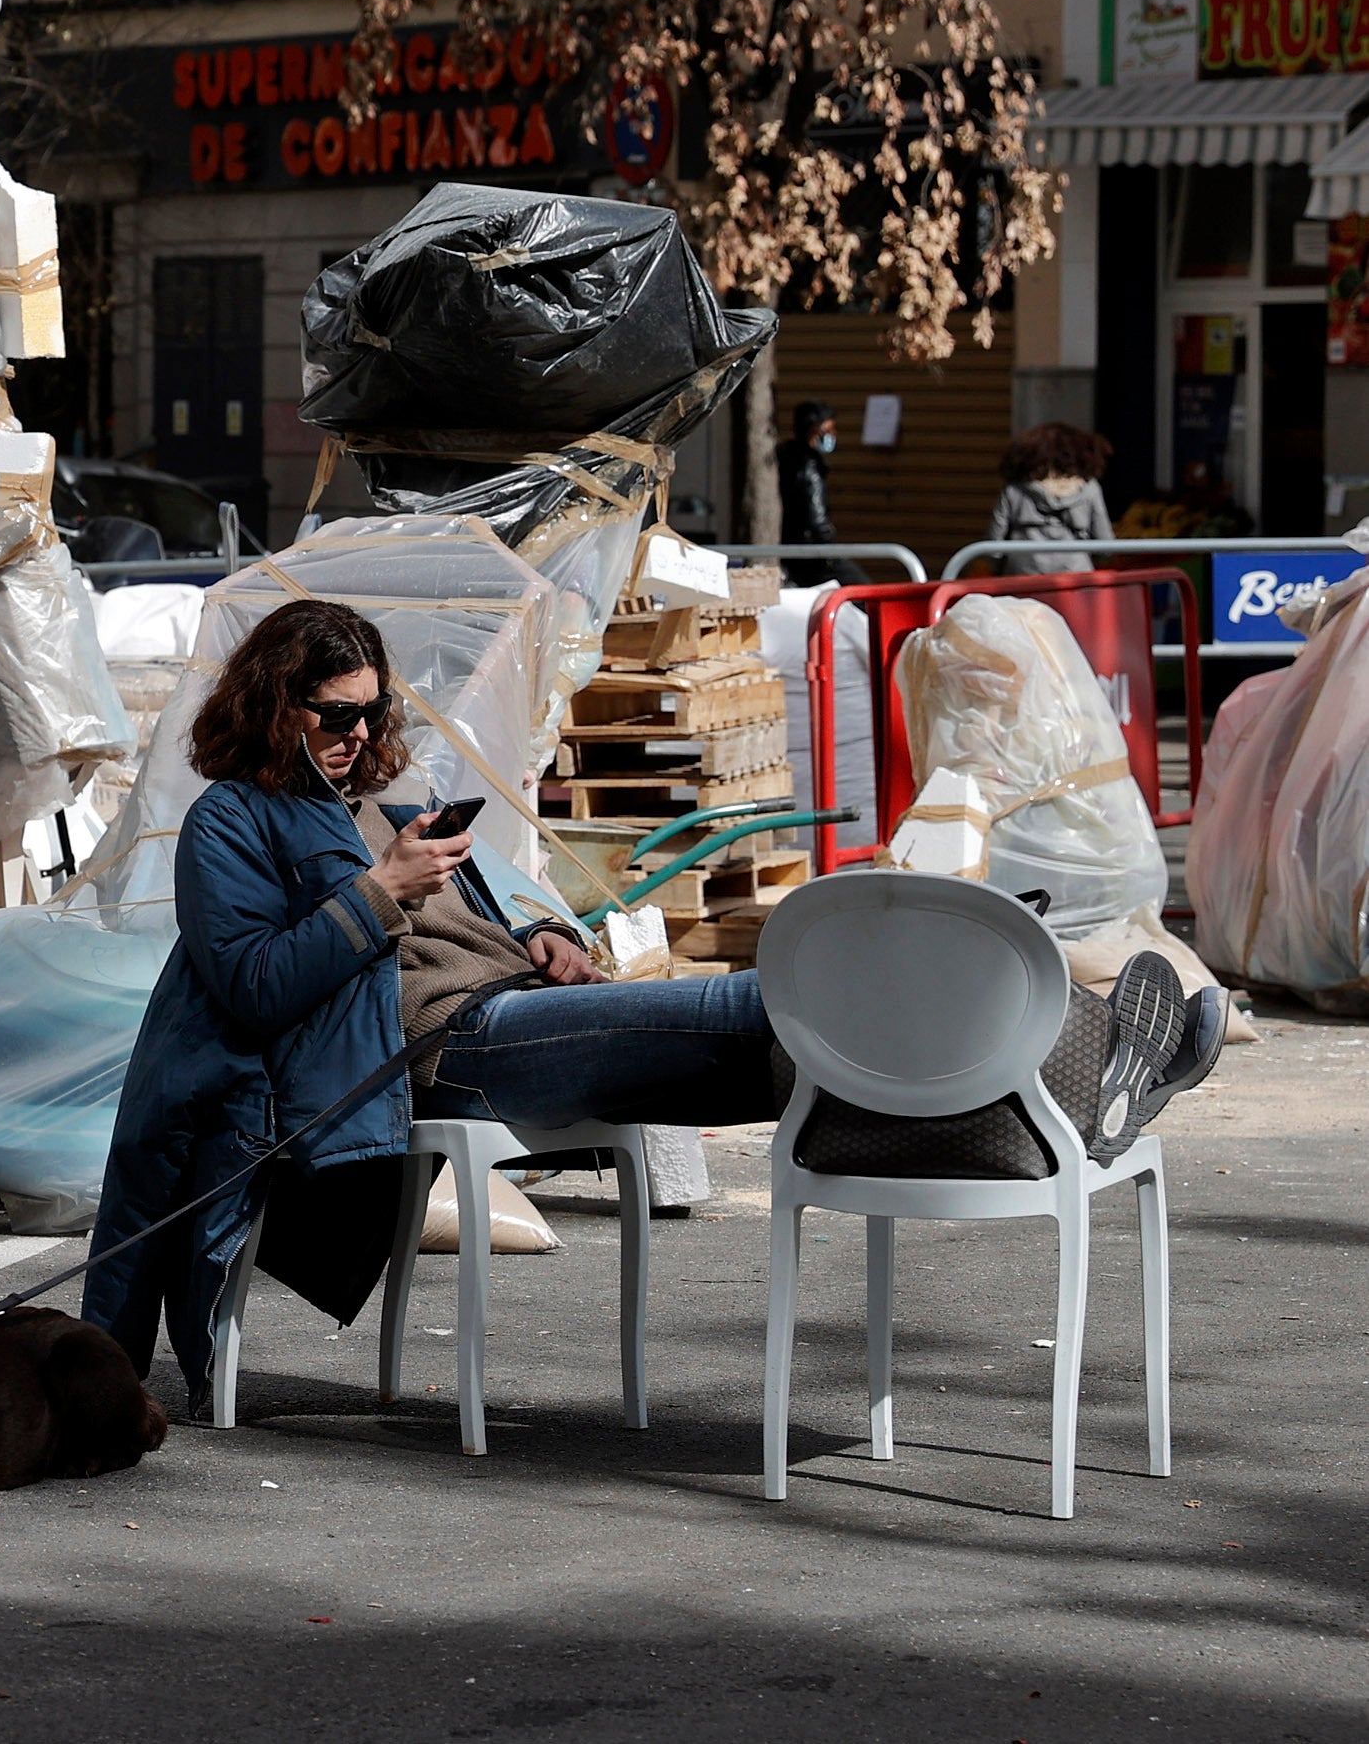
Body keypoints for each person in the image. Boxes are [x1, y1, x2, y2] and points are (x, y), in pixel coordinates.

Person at [72, 598, 1223, 1407]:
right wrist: (376, 895)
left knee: (796, 1061)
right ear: (275, 708)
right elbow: (252, 982)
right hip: (434, 1053)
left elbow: (488, 915)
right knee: (753, 999)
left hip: (508, 1007)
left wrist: (547, 936)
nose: (358, 735)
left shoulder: (387, 807)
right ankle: (1074, 1068)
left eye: (371, 713)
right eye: (333, 715)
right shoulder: (234, 820)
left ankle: (1055, 1093)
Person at [991, 424, 1115, 575]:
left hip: (1022, 577)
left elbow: (994, 543)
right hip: (1075, 576)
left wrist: (999, 570)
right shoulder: (1090, 489)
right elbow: (1105, 544)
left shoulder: (1013, 490)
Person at [777, 397, 840, 585]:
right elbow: (817, 519)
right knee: (861, 590)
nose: (834, 435)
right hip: (811, 555)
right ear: (815, 430)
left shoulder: (786, 456)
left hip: (793, 551)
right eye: (829, 430)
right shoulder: (809, 466)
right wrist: (832, 552)